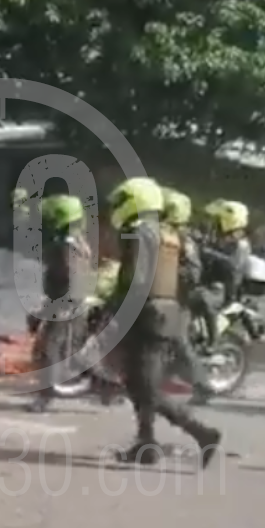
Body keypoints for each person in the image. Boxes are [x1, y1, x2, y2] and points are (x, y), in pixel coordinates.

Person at [104, 177, 222, 466]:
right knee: (140, 383)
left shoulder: (138, 233)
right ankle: (146, 446)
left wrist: (112, 313)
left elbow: (134, 280)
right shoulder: (167, 234)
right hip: (164, 314)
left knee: (145, 388)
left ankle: (202, 432)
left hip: (145, 318)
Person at [27, 194, 93, 414]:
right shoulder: (75, 241)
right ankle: (99, 386)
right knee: (62, 349)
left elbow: (71, 281)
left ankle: (46, 396)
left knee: (49, 349)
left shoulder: (68, 245)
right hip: (69, 303)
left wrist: (49, 310)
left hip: (66, 304)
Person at [161, 187, 212, 405]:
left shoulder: (183, 238)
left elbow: (193, 272)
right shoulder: (168, 234)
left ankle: (203, 386)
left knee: (178, 340)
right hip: (166, 295)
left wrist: (170, 275)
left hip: (180, 298)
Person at [195, 200, 252, 350]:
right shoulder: (224, 238)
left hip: (223, 289)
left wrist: (209, 253)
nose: (215, 222)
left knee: (203, 299)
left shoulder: (241, 244)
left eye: (218, 219)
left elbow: (233, 265)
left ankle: (213, 340)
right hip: (211, 282)